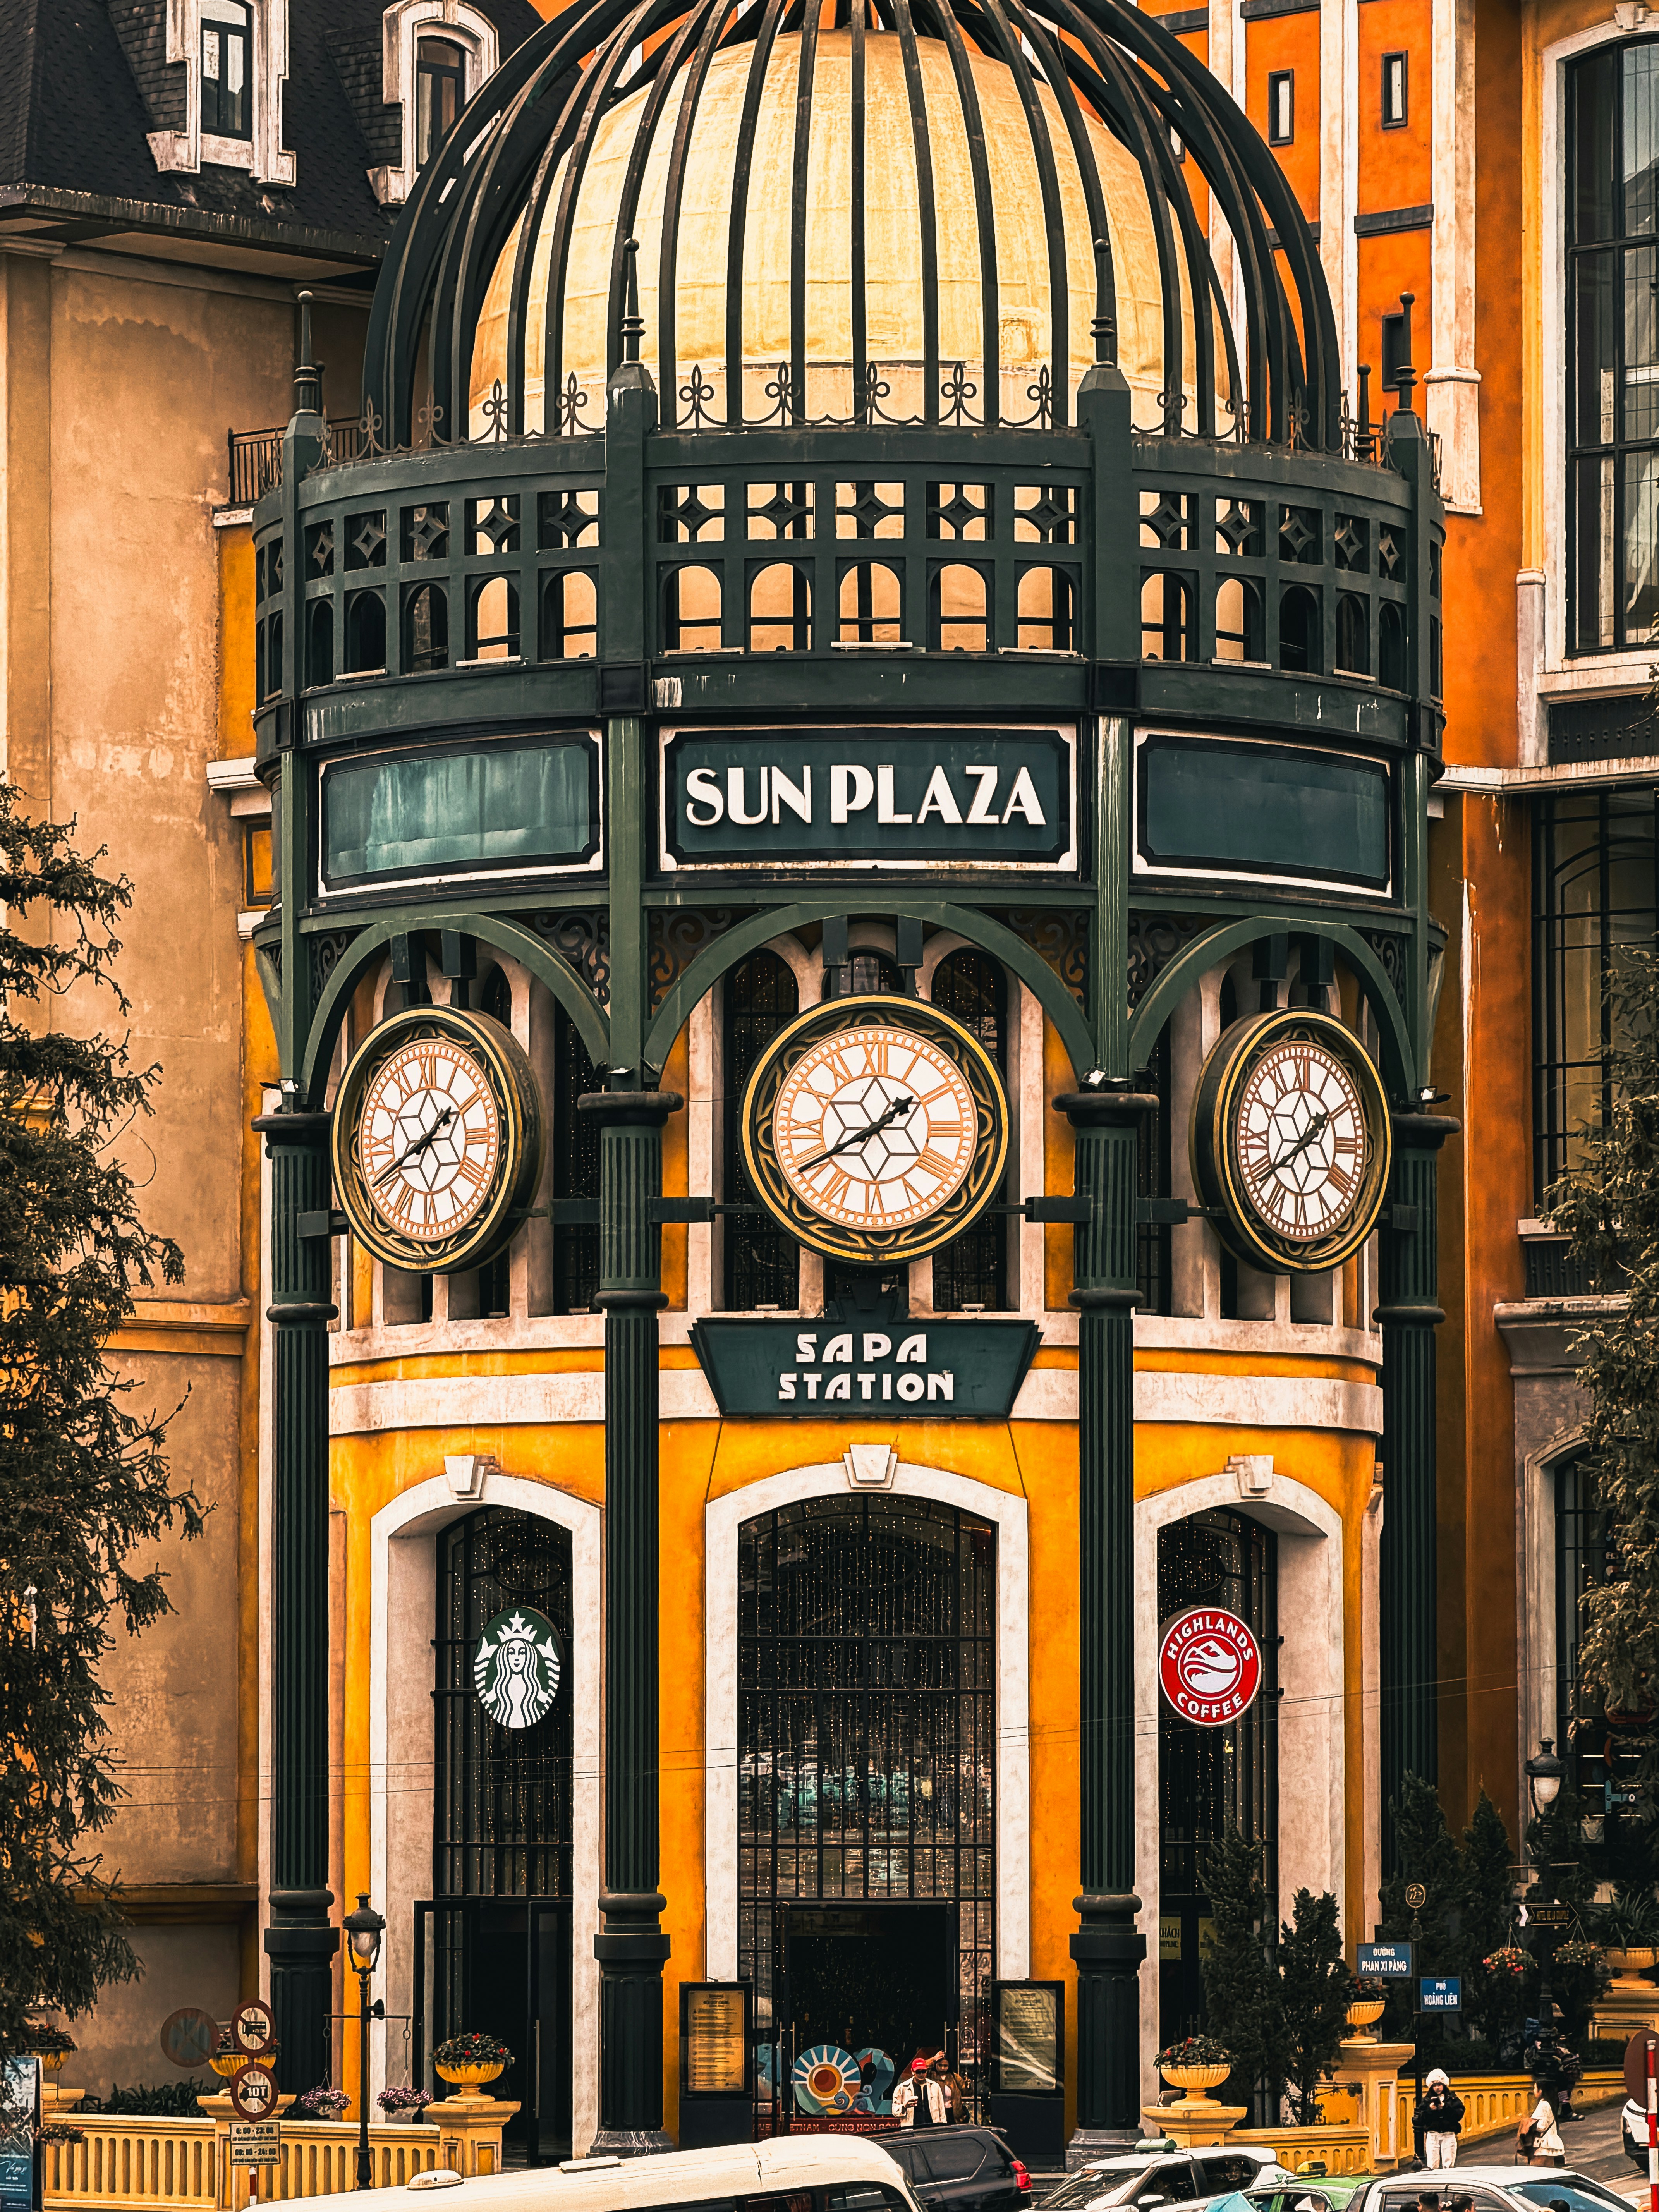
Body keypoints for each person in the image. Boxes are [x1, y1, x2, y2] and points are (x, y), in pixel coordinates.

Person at [1413, 2069, 1466, 2168]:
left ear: (1444, 2084)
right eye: (1434, 2085)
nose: (1437, 2088)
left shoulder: (1452, 2098)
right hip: (1433, 2134)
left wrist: (1445, 2108)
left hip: (1449, 2133)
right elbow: (1420, 2119)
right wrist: (1430, 2110)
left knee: (1449, 2163)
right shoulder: (1427, 2100)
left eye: (1439, 2084)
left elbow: (1459, 2114)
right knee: (1433, 2163)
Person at [1517, 2080, 1565, 2167]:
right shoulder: (1548, 2103)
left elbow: (1541, 2126)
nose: (1534, 2091)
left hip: (1541, 2146)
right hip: (1546, 2145)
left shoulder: (1544, 2105)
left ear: (1541, 2091)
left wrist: (1529, 2124)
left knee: (1537, 2173)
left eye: (1535, 2088)